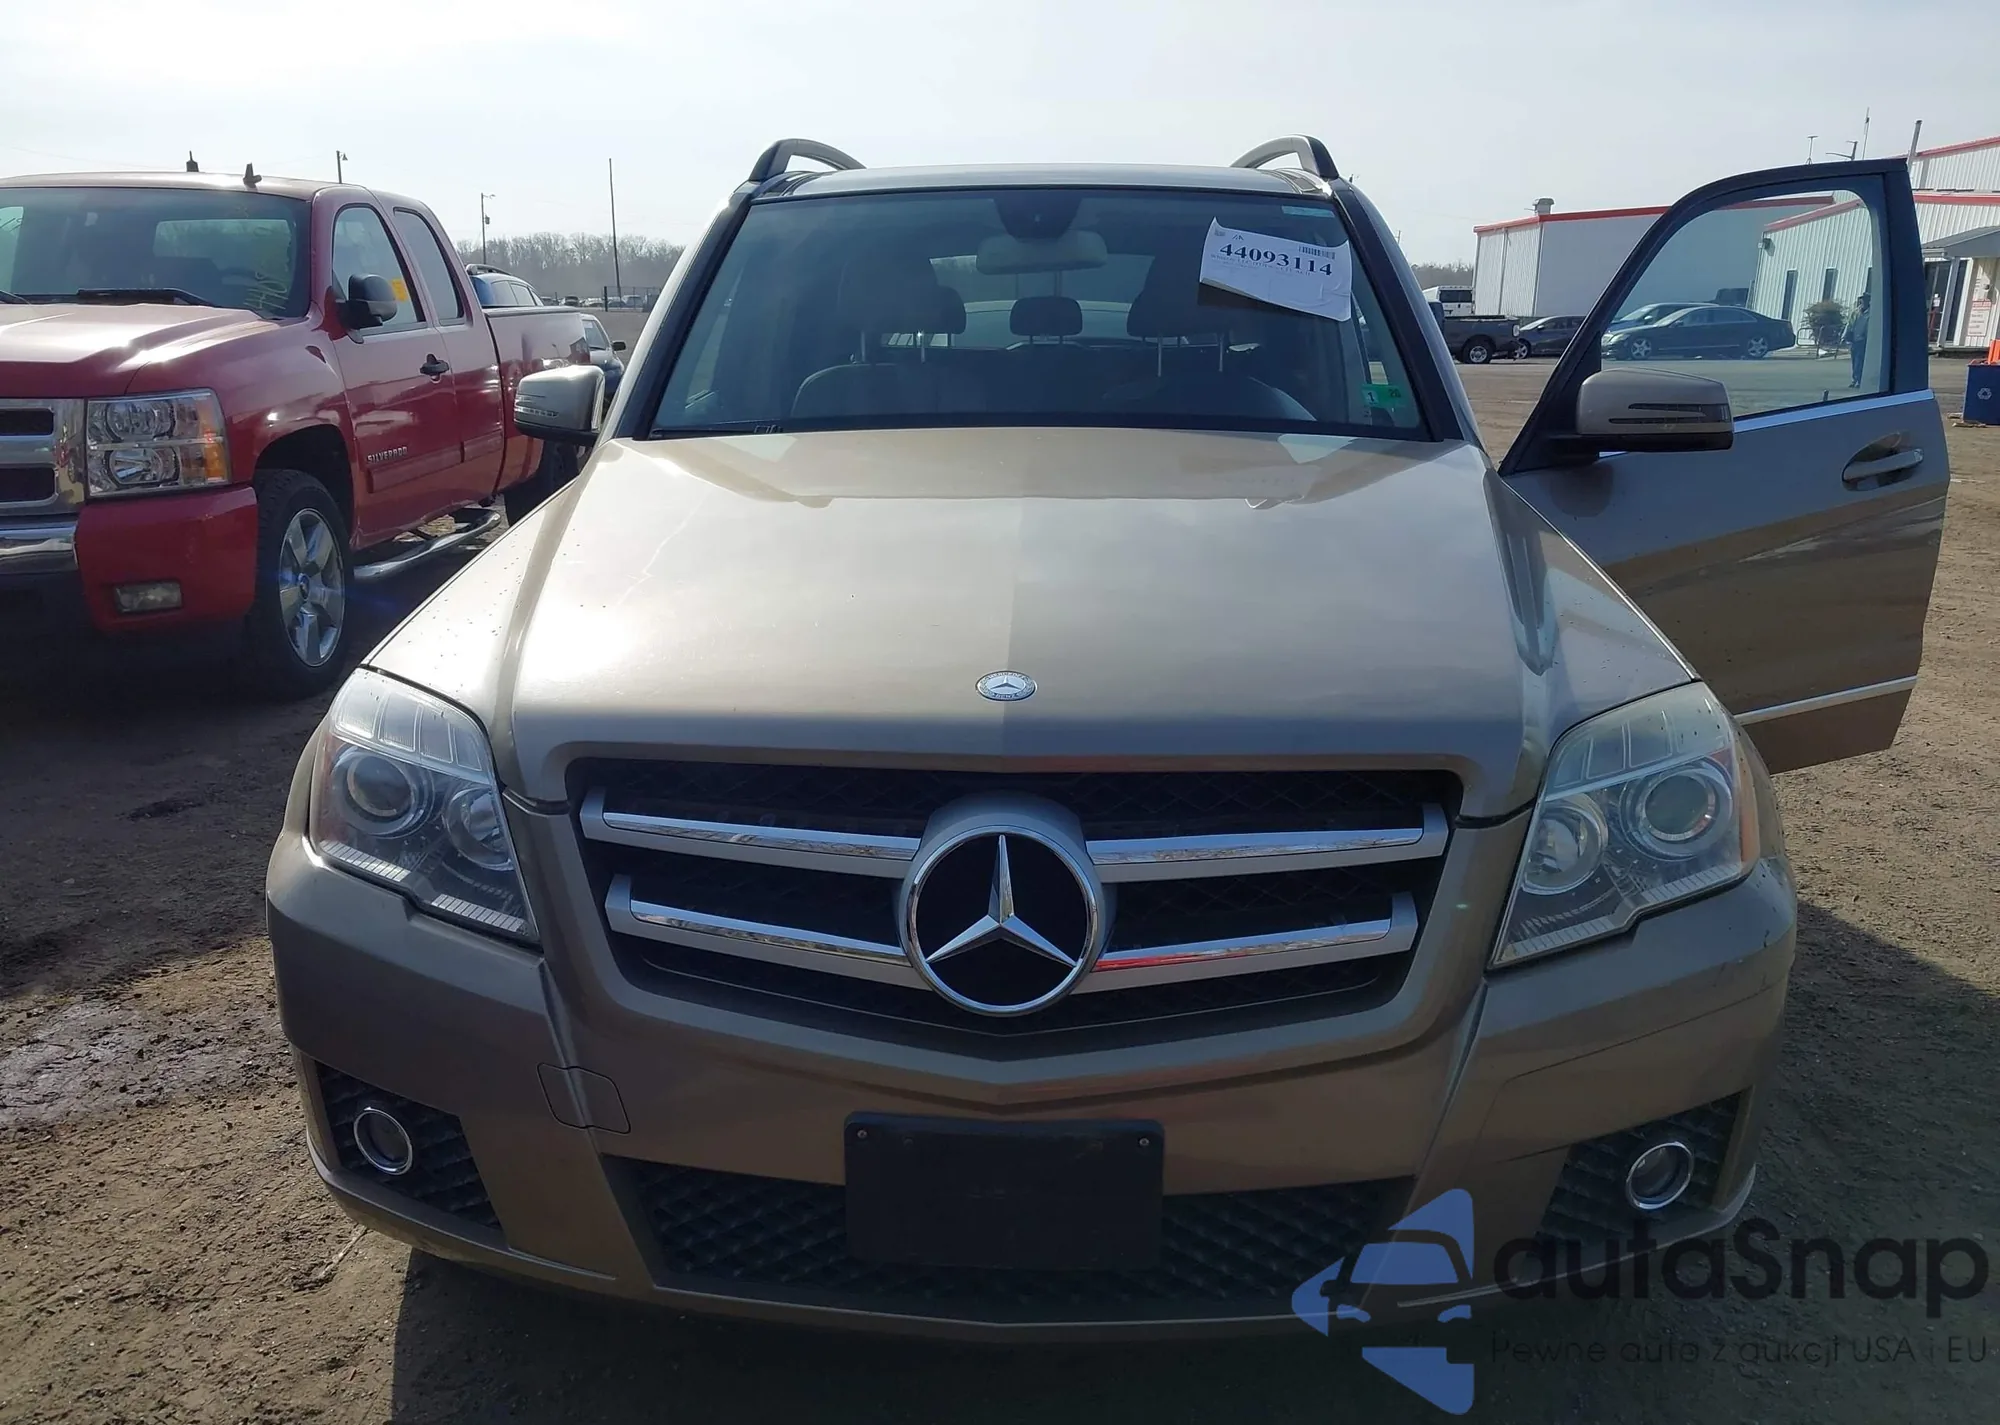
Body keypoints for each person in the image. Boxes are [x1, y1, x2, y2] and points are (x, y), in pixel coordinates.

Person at [1845, 291, 1871, 389]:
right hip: (1854, 339)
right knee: (1854, 360)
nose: (1863, 302)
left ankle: (1859, 380)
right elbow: (1849, 324)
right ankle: (1855, 379)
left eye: (1865, 300)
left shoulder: (1871, 312)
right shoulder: (1856, 311)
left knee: (1859, 361)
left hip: (1863, 339)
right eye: (1862, 300)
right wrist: (1846, 335)